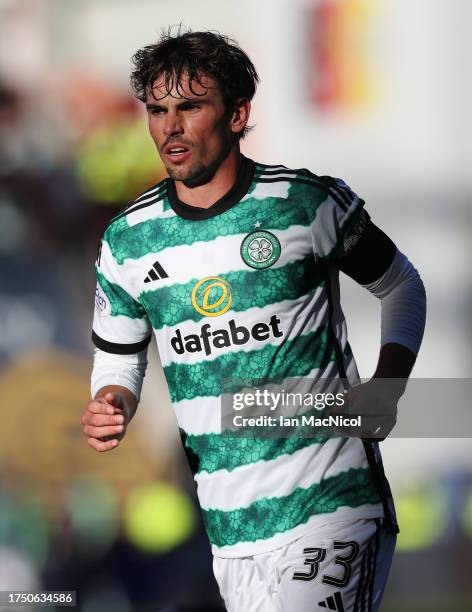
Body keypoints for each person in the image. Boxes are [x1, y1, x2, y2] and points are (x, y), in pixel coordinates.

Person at [81, 29, 426, 612]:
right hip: (232, 535)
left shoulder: (303, 205)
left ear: (238, 114)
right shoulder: (127, 243)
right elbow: (118, 356)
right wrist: (112, 401)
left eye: (190, 107)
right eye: (158, 110)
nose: (171, 127)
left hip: (331, 508)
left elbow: (402, 285)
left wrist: (387, 388)